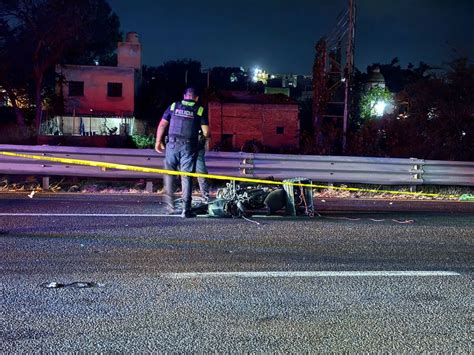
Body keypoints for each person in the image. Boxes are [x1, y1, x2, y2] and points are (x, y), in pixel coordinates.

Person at [155, 88, 209, 218]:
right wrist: (199, 146)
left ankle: (170, 207)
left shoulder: (174, 106)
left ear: (184, 96)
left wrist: (158, 141)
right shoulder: (199, 109)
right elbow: (206, 132)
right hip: (188, 146)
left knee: (169, 175)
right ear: (196, 98)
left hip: (172, 145)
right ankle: (186, 209)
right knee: (186, 177)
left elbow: (162, 125)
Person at [196, 130, 210, 202]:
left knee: (202, 175)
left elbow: (206, 134)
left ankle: (205, 197)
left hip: (196, 148)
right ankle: (205, 197)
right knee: (202, 175)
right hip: (190, 148)